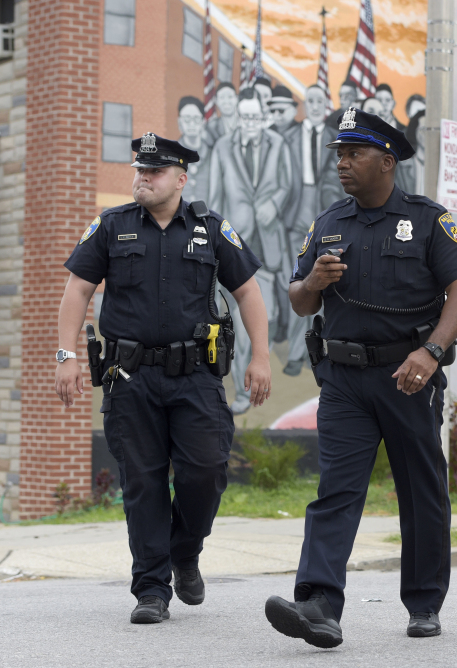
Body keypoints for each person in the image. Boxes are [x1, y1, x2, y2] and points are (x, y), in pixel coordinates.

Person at [264, 109, 457, 646]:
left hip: (408, 378)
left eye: (353, 154)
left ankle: (424, 602)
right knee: (335, 490)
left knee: (421, 490)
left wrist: (431, 353)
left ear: (387, 161)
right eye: (339, 154)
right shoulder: (329, 222)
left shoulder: (430, 221)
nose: (342, 164)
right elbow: (298, 299)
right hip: (343, 381)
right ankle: (318, 604)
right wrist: (312, 279)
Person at [53, 133, 271, 624]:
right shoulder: (112, 226)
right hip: (130, 376)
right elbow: (77, 291)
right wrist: (67, 355)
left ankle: (184, 551)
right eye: (138, 170)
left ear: (180, 178)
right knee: (143, 484)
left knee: (208, 469)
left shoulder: (211, 228)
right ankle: (151, 590)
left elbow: (249, 293)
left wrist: (261, 356)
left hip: (195, 376)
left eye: (153, 172)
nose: (142, 179)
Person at [209, 88, 293, 413]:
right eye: (244, 117)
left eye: (255, 117)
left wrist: (274, 203)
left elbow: (288, 185)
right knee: (239, 324)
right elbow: (214, 197)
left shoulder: (278, 145)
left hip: (268, 246)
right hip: (234, 246)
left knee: (264, 318)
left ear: (264, 116)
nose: (249, 123)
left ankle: (258, 380)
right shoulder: (222, 148)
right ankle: (244, 394)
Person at [277, 85, 345, 376]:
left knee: (330, 287)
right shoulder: (287, 138)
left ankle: (322, 351)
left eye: (321, 101)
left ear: (326, 105)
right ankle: (295, 354)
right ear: (304, 104)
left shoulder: (336, 140)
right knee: (300, 284)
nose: (316, 105)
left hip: (327, 218)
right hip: (295, 217)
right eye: (311, 101)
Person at [177, 96, 211, 203]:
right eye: (187, 119)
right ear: (179, 122)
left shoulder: (213, 155)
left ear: (203, 122)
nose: (191, 124)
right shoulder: (171, 155)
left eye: (196, 119)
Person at [397, 109, 425, 195]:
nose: (428, 135)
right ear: (415, 132)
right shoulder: (401, 167)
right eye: (423, 130)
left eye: (431, 130)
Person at [204, 82, 238, 146]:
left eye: (230, 97)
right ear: (216, 101)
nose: (226, 102)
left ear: (236, 98)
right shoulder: (211, 127)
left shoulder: (244, 123)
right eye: (222, 97)